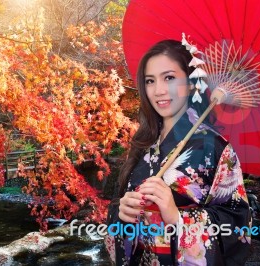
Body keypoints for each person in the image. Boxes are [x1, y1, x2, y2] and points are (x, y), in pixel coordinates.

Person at [105, 40, 251, 265]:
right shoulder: (143, 144)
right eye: (150, 81)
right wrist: (122, 214)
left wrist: (176, 217)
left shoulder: (216, 149)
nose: (159, 90)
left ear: (192, 83)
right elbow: (117, 209)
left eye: (169, 78)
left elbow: (238, 223)